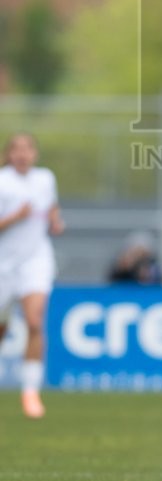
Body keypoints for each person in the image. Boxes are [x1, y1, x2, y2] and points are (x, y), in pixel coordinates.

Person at [0, 133, 65, 419]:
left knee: (35, 321)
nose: (22, 154)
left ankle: (30, 392)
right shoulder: (2, 181)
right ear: (9, 154)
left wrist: (54, 220)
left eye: (27, 149)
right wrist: (15, 217)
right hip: (4, 264)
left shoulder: (45, 178)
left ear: (35, 154)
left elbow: (51, 206)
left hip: (36, 260)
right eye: (17, 149)